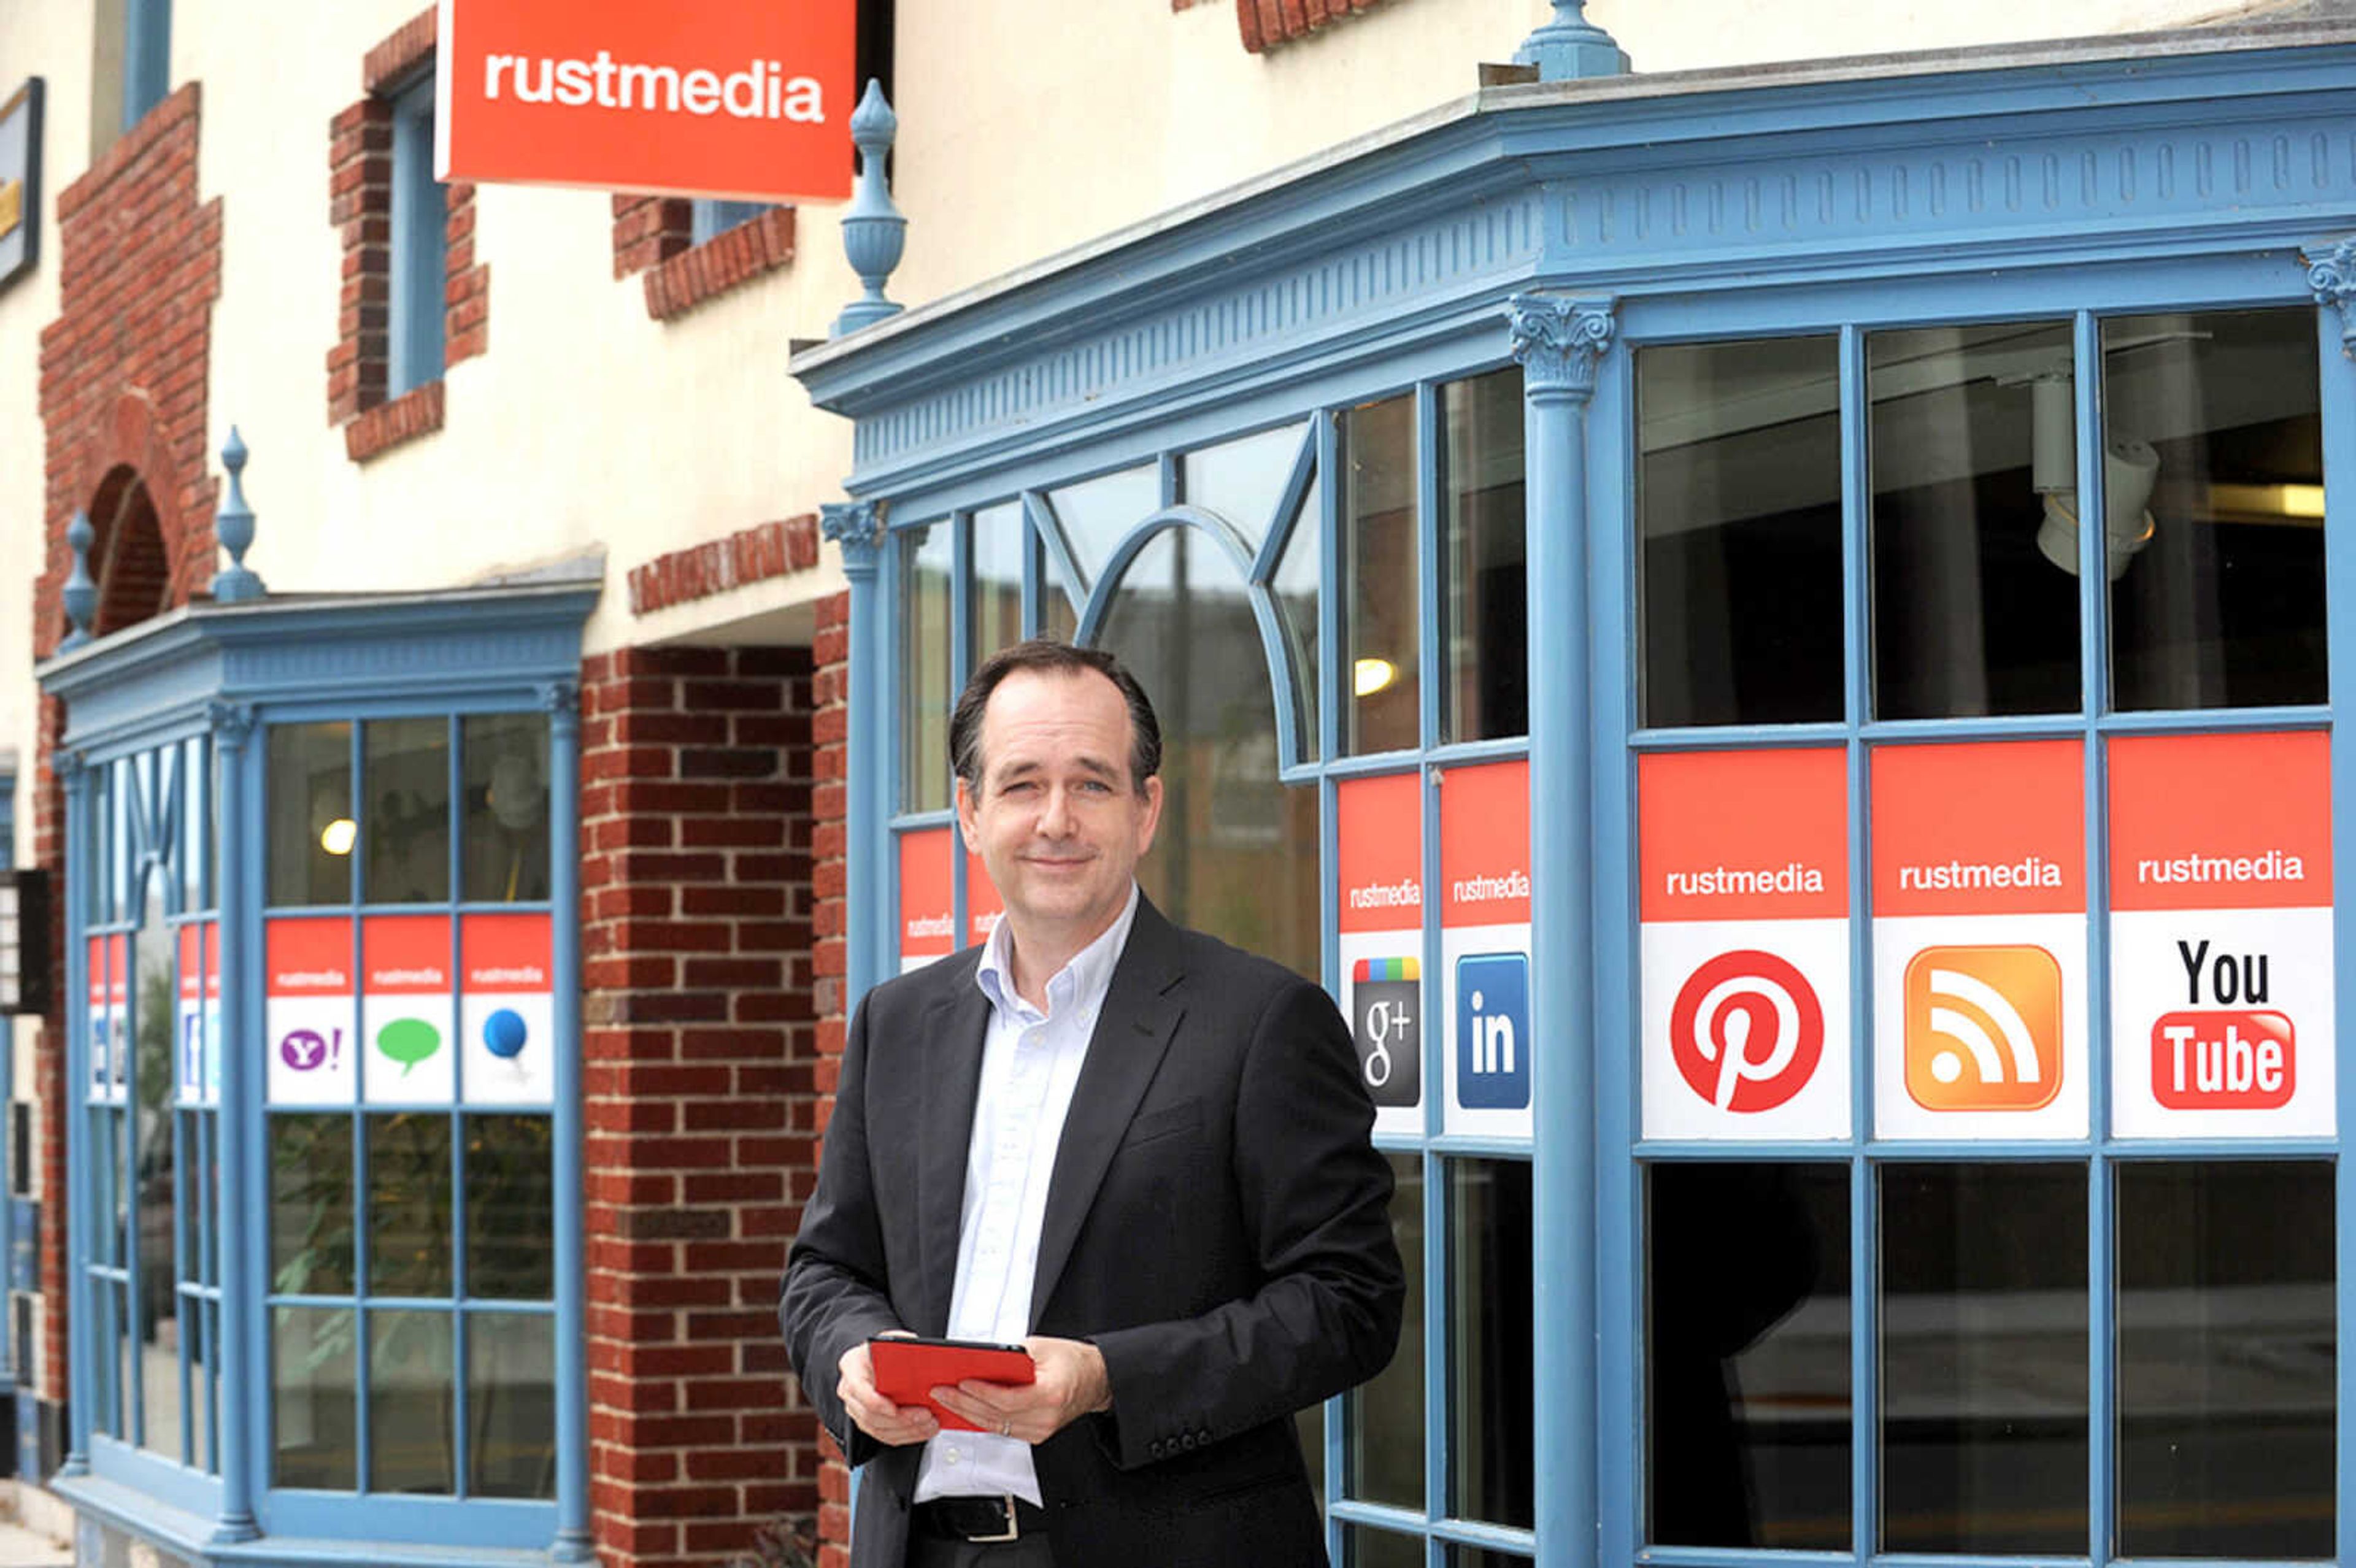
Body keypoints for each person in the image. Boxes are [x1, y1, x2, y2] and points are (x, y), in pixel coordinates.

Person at [780, 638, 1403, 1568]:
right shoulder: (897, 1024)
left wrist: (1108, 1379)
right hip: (920, 1548)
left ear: (1147, 809)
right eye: (1024, 783)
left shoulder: (1263, 1021)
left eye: (1094, 784)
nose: (1056, 819)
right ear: (970, 811)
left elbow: (1349, 1303)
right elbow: (823, 1272)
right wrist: (857, 1359)